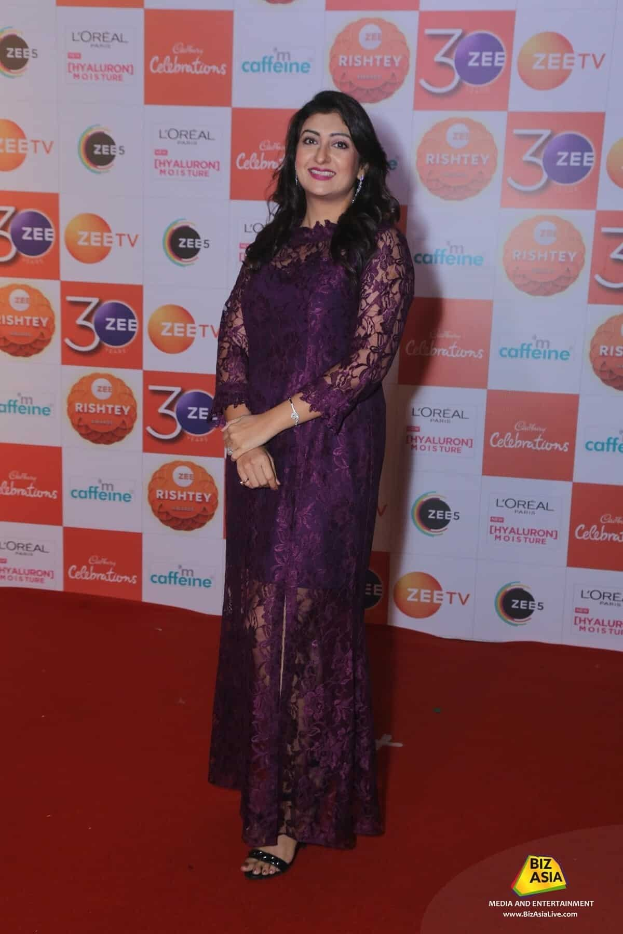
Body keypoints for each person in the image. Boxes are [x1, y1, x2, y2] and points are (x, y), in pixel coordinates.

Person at [207, 90, 415, 880]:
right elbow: (232, 338)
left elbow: (365, 365)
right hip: (257, 450)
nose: (320, 154)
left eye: (338, 142)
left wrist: (271, 422)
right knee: (260, 616)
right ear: (292, 158)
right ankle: (263, 783)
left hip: (330, 451)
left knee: (309, 620)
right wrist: (239, 427)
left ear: (362, 162)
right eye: (307, 141)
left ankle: (296, 813)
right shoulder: (269, 244)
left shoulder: (378, 247)